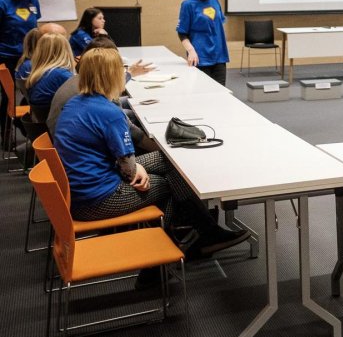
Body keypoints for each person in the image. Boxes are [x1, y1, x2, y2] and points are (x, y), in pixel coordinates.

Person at [53, 48, 250, 275]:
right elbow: (128, 170)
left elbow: (121, 161)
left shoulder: (77, 103)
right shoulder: (108, 112)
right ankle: (156, 268)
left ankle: (201, 233)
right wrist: (137, 168)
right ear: (111, 75)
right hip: (97, 202)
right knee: (168, 182)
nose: (125, 73)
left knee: (169, 162)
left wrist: (138, 167)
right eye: (122, 70)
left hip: (76, 195)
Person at [0, 0, 41, 146]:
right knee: (8, 96)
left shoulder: (33, 2)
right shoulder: (3, 3)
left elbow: (34, 28)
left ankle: (25, 123)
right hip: (6, 55)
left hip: (29, 57)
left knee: (32, 91)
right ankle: (6, 133)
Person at [176, 0, 228, 86]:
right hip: (200, 57)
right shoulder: (188, 4)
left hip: (219, 55)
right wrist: (191, 51)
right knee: (203, 92)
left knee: (221, 92)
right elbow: (182, 32)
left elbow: (219, 23)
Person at [25, 33, 75, 123]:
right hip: (58, 127)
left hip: (42, 126)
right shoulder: (60, 75)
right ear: (65, 50)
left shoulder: (37, 73)